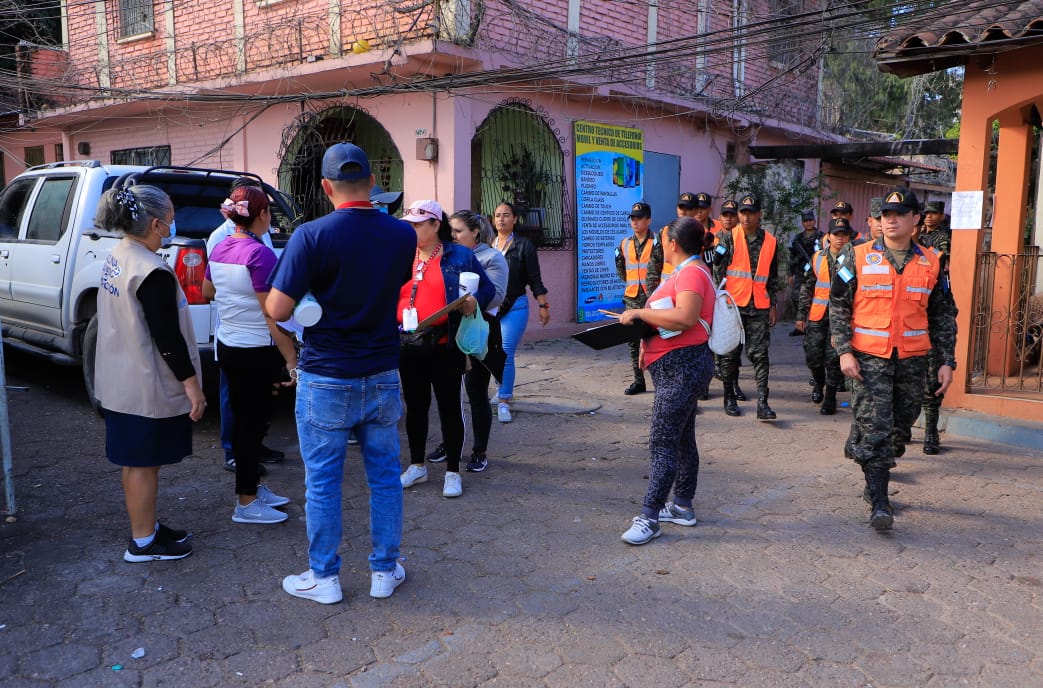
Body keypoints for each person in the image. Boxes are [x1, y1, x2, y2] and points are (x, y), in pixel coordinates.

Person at [267, 142, 416, 603]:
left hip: (327, 374)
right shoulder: (403, 235)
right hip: (382, 370)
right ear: (373, 183)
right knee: (385, 476)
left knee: (323, 481)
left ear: (326, 187)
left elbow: (276, 307)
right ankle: (384, 571)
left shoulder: (310, 236)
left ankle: (325, 578)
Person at [829, 187, 957, 531]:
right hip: (868, 360)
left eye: (899, 215)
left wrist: (947, 361)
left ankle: (866, 450)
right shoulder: (855, 257)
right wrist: (843, 351)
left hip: (913, 361)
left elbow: (943, 314)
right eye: (886, 215)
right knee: (877, 431)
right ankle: (880, 502)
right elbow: (838, 305)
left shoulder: (932, 262)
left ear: (916, 220)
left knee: (900, 429)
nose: (891, 221)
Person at [93, 184, 205, 562]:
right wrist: (192, 386)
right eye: (171, 217)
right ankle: (143, 542)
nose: (174, 223)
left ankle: (148, 528)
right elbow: (167, 337)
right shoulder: (151, 271)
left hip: (119, 379)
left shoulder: (120, 254)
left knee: (135, 460)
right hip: (143, 383)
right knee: (143, 464)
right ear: (157, 224)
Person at [617, 217, 716, 545]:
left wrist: (641, 314)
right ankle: (683, 506)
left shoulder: (690, 273)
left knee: (662, 442)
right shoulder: (686, 271)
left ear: (673, 244)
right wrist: (648, 345)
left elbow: (685, 317)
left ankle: (649, 516)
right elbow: (669, 318)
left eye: (663, 241)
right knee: (682, 438)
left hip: (682, 367)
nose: (661, 246)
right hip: (676, 365)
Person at [202, 185, 297, 525]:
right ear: (261, 215)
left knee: (247, 422)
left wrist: (234, 299)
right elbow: (272, 314)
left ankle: (252, 489)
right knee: (252, 425)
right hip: (255, 349)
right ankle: (245, 501)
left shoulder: (221, 246)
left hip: (228, 345)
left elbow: (207, 290)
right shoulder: (259, 254)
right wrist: (291, 359)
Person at [397, 200, 495, 498]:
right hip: (408, 344)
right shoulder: (402, 254)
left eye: (418, 224)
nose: (412, 229)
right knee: (415, 407)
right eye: (409, 224)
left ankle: (453, 471)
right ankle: (416, 465)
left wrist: (474, 301)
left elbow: (488, 289)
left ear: (435, 224)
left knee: (449, 407)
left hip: (444, 344)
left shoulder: (459, 255)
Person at [424, 209, 508, 473]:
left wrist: (468, 300)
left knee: (476, 392)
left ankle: (479, 450)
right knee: (449, 394)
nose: (454, 236)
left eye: (459, 231)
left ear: (475, 232)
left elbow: (496, 296)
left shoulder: (492, 258)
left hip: (479, 332)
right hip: (448, 332)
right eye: (452, 231)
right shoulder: (445, 255)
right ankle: (451, 445)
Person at [205, 177, 279, 476]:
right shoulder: (221, 238)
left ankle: (253, 448)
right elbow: (211, 289)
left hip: (258, 332)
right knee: (233, 396)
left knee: (256, 405)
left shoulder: (260, 236)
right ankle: (233, 451)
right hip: (238, 330)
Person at [713, 194, 781, 420]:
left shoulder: (771, 241)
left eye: (751, 212)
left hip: (759, 306)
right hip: (733, 306)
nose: (745, 217)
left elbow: (772, 277)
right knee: (730, 354)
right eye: (742, 212)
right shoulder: (727, 238)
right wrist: (720, 302)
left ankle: (763, 403)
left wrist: (773, 304)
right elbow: (717, 272)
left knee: (760, 355)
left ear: (759, 214)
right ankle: (729, 397)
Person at [492, 202, 549, 423]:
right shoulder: (488, 245)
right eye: (497, 215)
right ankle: (500, 388)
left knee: (506, 351)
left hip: (515, 305)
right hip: (492, 307)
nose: (501, 219)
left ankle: (505, 400)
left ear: (515, 219)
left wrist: (543, 306)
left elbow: (535, 279)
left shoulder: (524, 246)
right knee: (493, 352)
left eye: (506, 215)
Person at [795, 217, 853, 414]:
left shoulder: (854, 258)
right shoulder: (817, 257)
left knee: (833, 359)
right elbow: (807, 287)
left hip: (842, 318)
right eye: (836, 234)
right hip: (818, 315)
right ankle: (818, 384)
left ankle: (830, 397)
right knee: (813, 356)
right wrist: (801, 315)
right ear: (828, 236)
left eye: (844, 235)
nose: (840, 238)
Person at [916, 200, 954, 455]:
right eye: (926, 213)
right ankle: (902, 427)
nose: (929, 217)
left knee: (931, 379)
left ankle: (931, 430)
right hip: (907, 325)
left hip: (931, 315)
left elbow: (941, 262)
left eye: (934, 213)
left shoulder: (942, 238)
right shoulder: (916, 237)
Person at [615, 201, 664, 395]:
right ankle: (639, 381)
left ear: (648, 220)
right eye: (632, 219)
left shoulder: (657, 242)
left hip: (652, 297)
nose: (635, 222)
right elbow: (621, 270)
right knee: (633, 342)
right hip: (632, 297)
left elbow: (663, 268)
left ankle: (661, 382)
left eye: (639, 218)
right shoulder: (625, 243)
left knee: (656, 340)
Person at [788, 210, 823, 336]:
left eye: (810, 220)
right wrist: (790, 274)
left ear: (814, 221)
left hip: (815, 272)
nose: (808, 223)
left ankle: (811, 324)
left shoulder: (821, 236)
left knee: (813, 298)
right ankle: (800, 324)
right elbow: (792, 257)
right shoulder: (798, 238)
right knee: (795, 297)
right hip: (800, 272)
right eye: (805, 221)